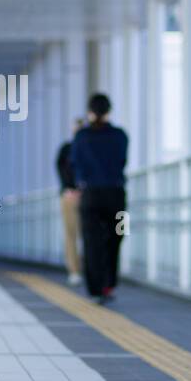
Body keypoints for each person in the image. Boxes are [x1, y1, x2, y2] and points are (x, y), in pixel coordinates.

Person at [69, 93, 127, 302]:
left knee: (91, 240)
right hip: (117, 194)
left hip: (90, 195)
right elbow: (122, 161)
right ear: (109, 111)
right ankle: (109, 284)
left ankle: (95, 288)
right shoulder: (121, 135)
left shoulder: (82, 136)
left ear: (90, 112)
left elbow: (74, 162)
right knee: (117, 237)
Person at [56, 118, 86, 286]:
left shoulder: (87, 148)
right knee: (71, 233)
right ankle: (74, 270)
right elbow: (61, 169)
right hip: (70, 195)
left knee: (86, 234)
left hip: (85, 195)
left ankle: (83, 269)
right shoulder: (66, 149)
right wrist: (69, 188)